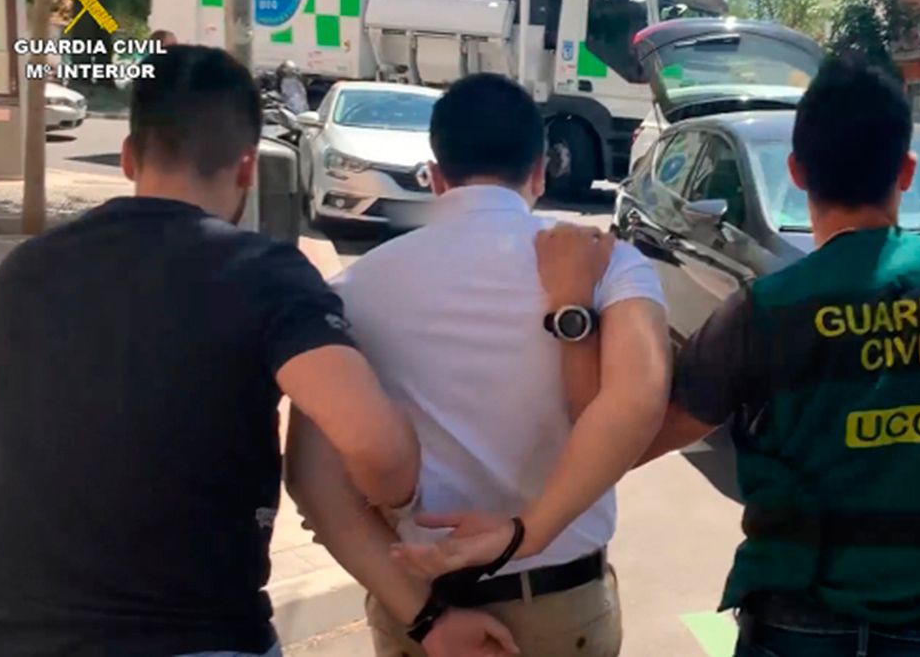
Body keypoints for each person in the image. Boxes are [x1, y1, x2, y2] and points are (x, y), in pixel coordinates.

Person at [539, 56, 920, 656]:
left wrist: (573, 310)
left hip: (796, 628)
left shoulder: (764, 311)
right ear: (907, 171)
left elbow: (617, 446)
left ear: (796, 171)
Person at [0, 46, 420, 657]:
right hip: (200, 634)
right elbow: (379, 449)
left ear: (128, 156)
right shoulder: (264, 275)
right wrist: (400, 500)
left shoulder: (23, 272)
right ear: (247, 167)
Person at [285, 72, 671, 657]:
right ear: (540, 171)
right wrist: (524, 534)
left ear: (435, 175)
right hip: (563, 607)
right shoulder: (610, 265)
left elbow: (314, 485)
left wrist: (425, 618)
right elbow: (638, 401)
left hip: (425, 607)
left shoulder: (349, 292)